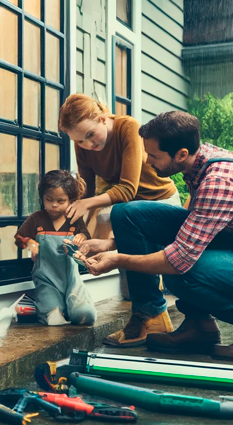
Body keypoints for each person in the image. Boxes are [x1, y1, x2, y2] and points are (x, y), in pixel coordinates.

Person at [78, 111, 233, 361]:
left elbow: (178, 260)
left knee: (182, 273)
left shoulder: (219, 181)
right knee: (126, 214)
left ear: (181, 154)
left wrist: (117, 259)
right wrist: (110, 243)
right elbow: (195, 227)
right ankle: (191, 325)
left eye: (153, 156)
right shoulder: (201, 159)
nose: (148, 162)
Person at [58, 93, 180, 303]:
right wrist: (78, 229)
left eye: (90, 134)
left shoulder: (127, 127)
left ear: (102, 118)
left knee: (173, 276)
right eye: (79, 141)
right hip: (126, 212)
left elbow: (127, 189)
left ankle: (182, 316)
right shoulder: (83, 146)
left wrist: (86, 204)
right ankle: (145, 316)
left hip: (159, 201)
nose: (87, 144)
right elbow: (87, 191)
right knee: (131, 293)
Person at [14, 170, 96, 325]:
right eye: (49, 199)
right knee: (53, 319)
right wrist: (30, 243)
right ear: (42, 198)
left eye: (61, 201)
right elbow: (19, 238)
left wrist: (82, 239)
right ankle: (45, 305)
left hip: (72, 279)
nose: (54, 205)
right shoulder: (36, 219)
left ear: (71, 201)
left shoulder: (75, 219)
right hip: (46, 279)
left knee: (86, 316)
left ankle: (68, 306)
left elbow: (87, 240)